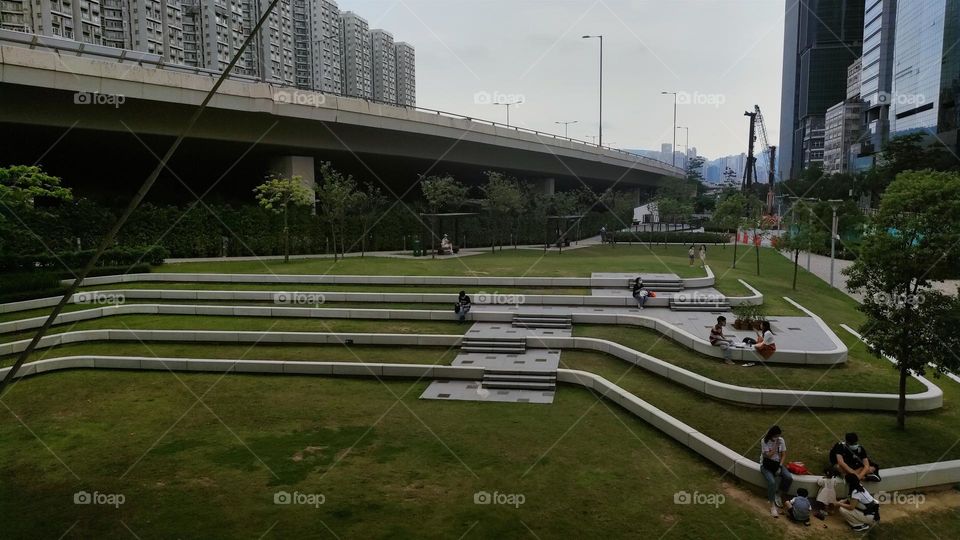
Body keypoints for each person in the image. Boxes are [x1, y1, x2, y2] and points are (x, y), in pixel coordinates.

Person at [760, 425, 793, 518]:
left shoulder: (781, 440)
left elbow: (783, 455)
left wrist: (780, 466)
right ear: (771, 435)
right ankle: (772, 506)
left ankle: (779, 494)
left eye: (778, 436)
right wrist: (776, 445)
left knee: (788, 477)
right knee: (772, 482)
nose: (777, 438)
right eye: (776, 436)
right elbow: (768, 456)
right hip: (766, 465)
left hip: (777, 464)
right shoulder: (764, 441)